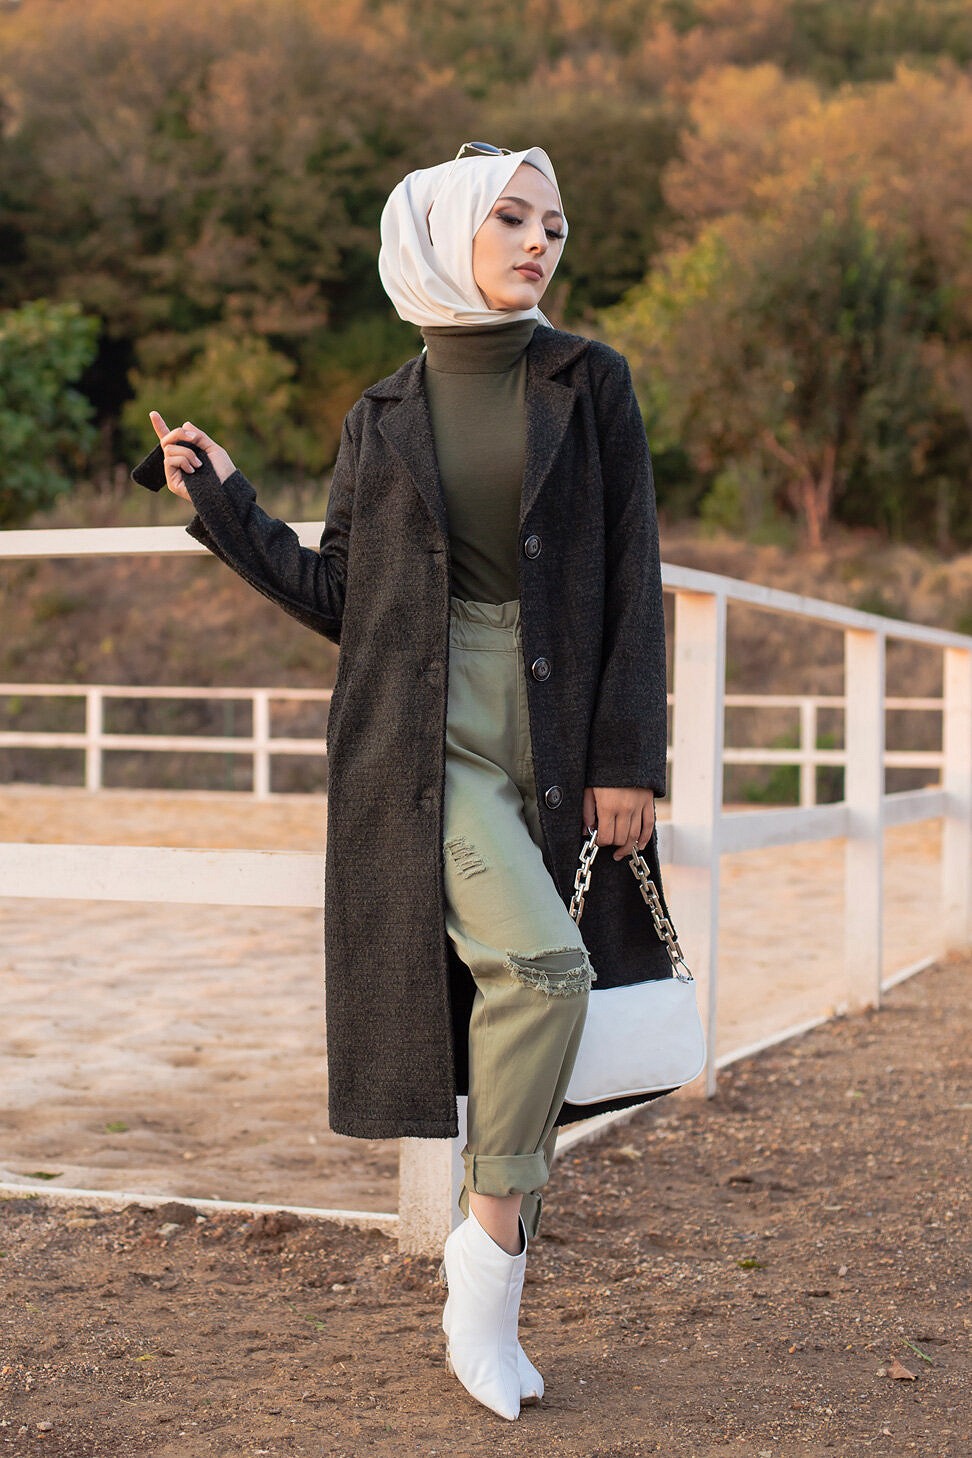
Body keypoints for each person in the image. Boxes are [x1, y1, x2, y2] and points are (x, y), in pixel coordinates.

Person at [138, 142, 670, 1422]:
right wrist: (227, 505)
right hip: (429, 742)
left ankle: (487, 1277)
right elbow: (345, 595)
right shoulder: (380, 417)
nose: (539, 242)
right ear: (441, 234)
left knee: (538, 992)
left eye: (553, 224)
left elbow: (631, 568)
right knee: (546, 973)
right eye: (512, 218)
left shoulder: (589, 380)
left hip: (559, 725)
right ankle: (488, 1273)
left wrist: (627, 757)